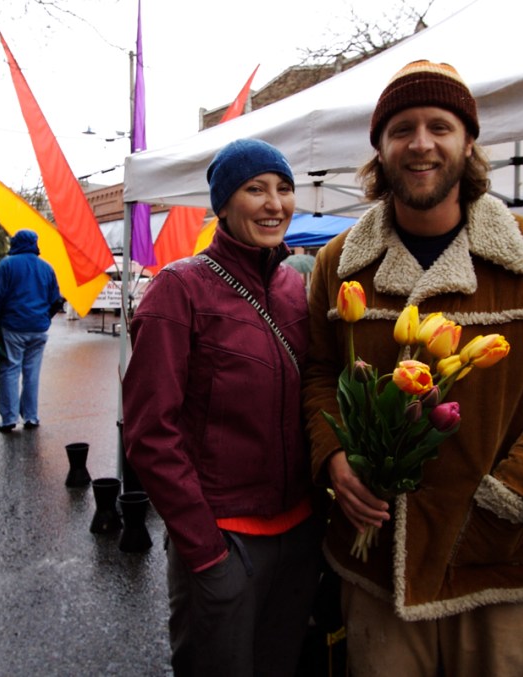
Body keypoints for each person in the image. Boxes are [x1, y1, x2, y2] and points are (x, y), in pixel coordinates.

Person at [302, 60, 523, 676]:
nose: (420, 143)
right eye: (401, 129)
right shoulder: (339, 263)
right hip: (374, 558)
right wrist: (335, 456)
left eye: (440, 126)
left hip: (489, 555)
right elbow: (320, 373)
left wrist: (518, 491)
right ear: (380, 149)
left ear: (468, 143)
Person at [122, 139, 321, 677]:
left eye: (284, 188)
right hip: (223, 538)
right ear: (224, 205)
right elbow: (149, 432)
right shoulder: (179, 290)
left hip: (299, 535)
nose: (274, 203)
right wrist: (206, 551)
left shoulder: (293, 287)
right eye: (255, 189)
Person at [0, 230, 63, 433]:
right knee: (32, 373)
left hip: (13, 327)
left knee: (10, 371)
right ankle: (31, 416)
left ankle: (9, 419)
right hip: (38, 329)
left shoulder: (7, 265)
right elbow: (56, 301)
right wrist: (45, 318)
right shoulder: (46, 267)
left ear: (15, 243)